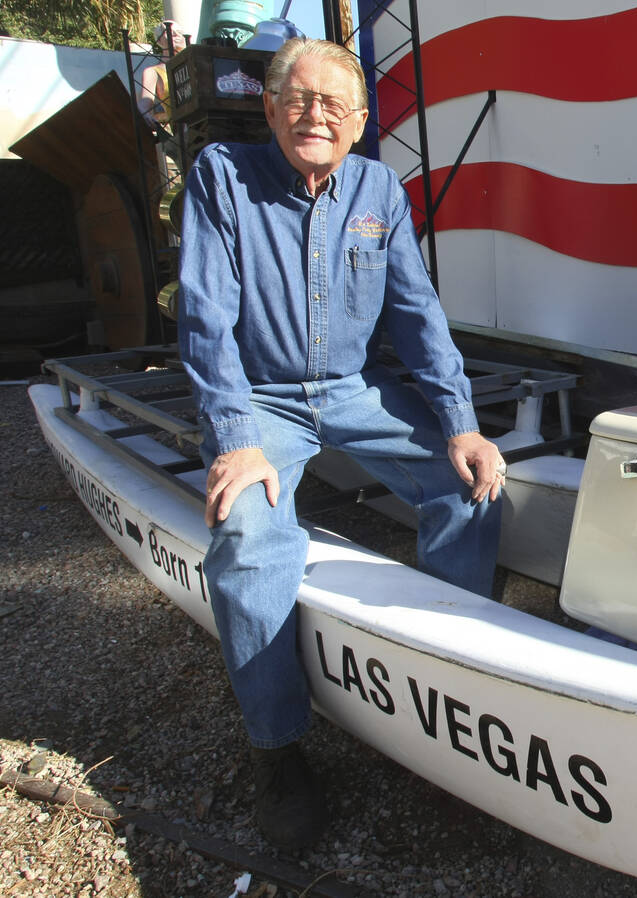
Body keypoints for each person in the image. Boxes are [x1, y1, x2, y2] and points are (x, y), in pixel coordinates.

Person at [177, 37, 504, 850]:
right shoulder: (224, 176)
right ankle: (279, 749)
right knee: (250, 540)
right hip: (262, 400)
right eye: (298, 98)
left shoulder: (377, 189)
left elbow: (418, 314)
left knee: (469, 487)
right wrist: (234, 438)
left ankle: (452, 690)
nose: (314, 113)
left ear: (359, 122)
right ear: (271, 108)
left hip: (353, 392)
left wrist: (460, 421)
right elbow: (205, 320)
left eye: (334, 104)